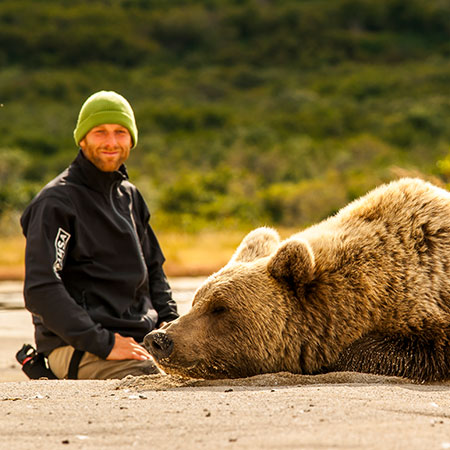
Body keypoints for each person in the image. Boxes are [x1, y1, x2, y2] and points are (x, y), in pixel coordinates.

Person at [20, 90, 178, 380]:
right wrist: (104, 343)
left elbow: (155, 272)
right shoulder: (56, 203)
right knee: (161, 379)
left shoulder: (130, 197)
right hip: (78, 345)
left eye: (120, 132)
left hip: (140, 339)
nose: (111, 142)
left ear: (131, 139)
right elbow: (41, 288)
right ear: (82, 139)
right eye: (99, 132)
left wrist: (171, 327)